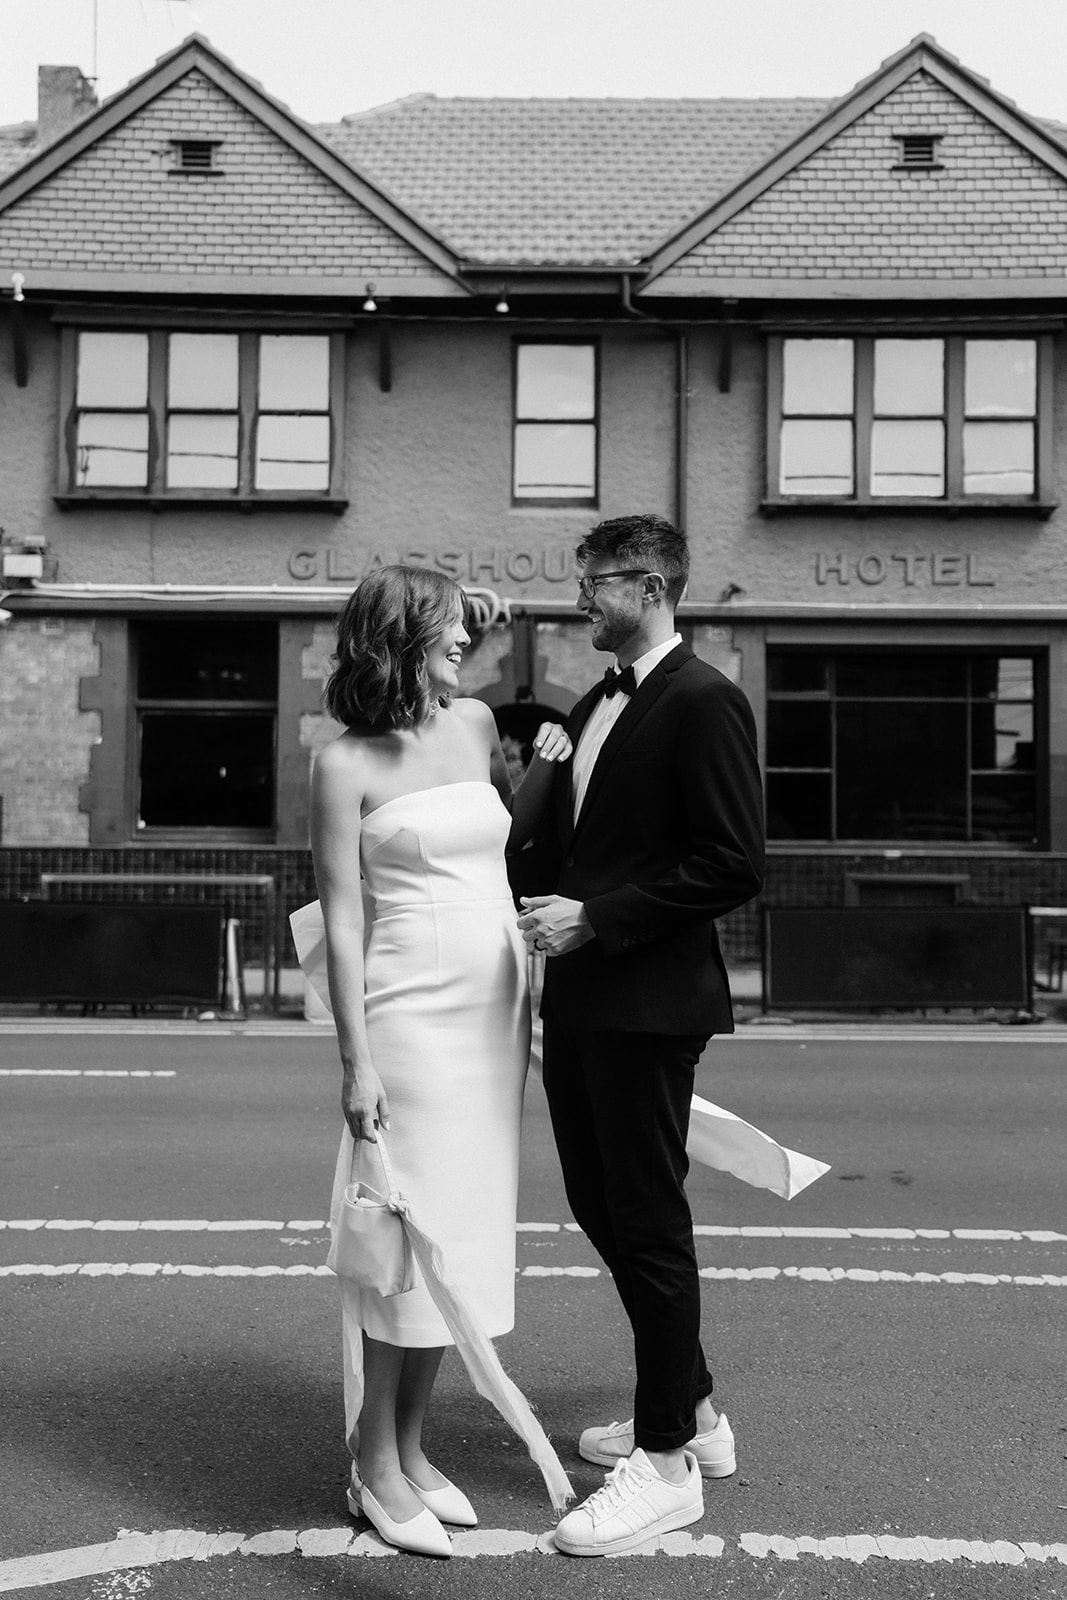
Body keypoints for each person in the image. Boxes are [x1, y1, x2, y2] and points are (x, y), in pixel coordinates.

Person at [304, 565, 571, 1557]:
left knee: (456, 1241)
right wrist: (356, 1063)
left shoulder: (472, 724)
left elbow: (497, 841)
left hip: (491, 1021)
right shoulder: (343, 763)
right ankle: (373, 1461)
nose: (464, 640)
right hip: (408, 1020)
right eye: (448, 627)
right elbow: (342, 921)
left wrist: (545, 770)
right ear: (401, 638)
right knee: (403, 1244)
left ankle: (411, 1449)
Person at [512, 513, 765, 1558]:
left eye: (596, 581)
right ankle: (691, 1410)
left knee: (647, 1221)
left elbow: (732, 863)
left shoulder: (704, 699)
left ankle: (664, 1464)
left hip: (648, 1000)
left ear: (651, 586)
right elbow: (581, 844)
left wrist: (597, 918)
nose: (581, 597)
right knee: (598, 1203)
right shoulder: (594, 700)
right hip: (580, 997)